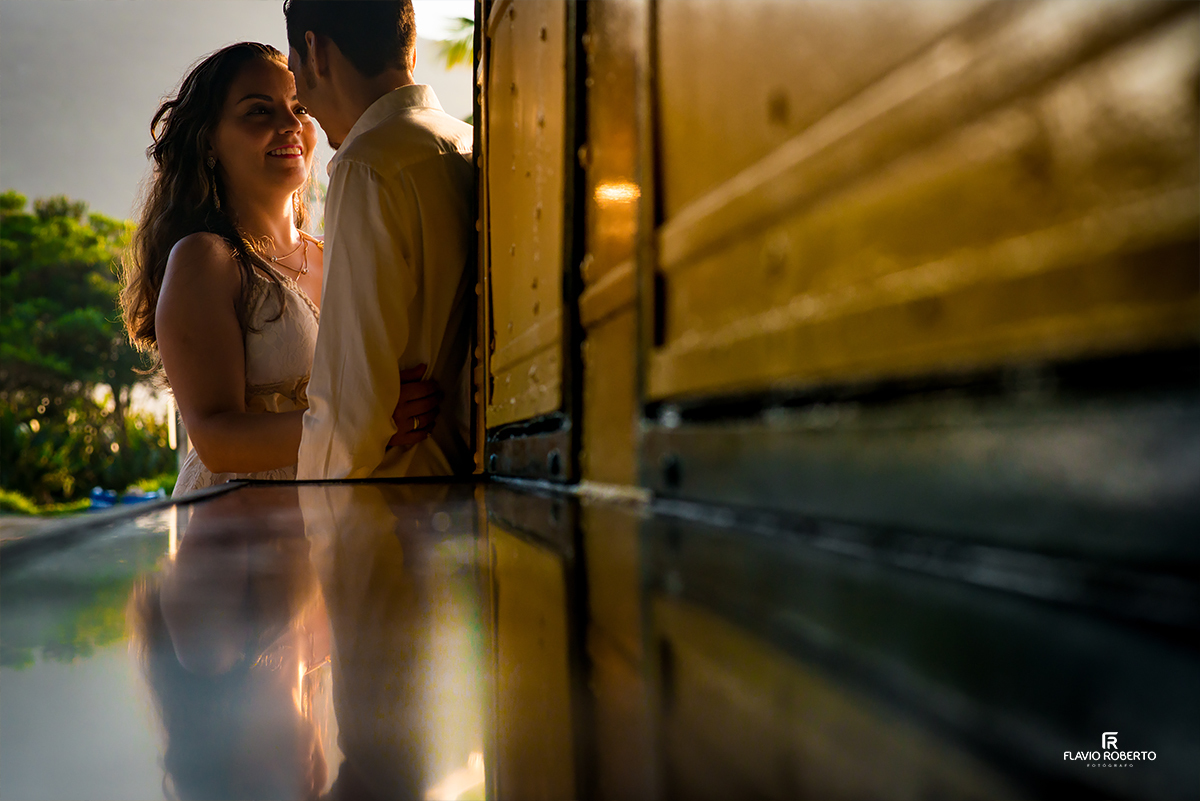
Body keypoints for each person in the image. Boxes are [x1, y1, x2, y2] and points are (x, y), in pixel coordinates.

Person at [119, 42, 441, 496]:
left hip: (334, 519)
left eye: (300, 108)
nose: (290, 126)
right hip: (241, 526)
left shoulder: (340, 253)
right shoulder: (206, 259)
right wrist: (367, 420)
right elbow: (215, 441)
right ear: (208, 139)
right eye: (258, 112)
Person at [284, 0, 476, 480]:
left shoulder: (367, 165)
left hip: (395, 509)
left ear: (315, 51)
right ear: (409, 52)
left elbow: (349, 410)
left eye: (294, 73)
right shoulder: (467, 143)